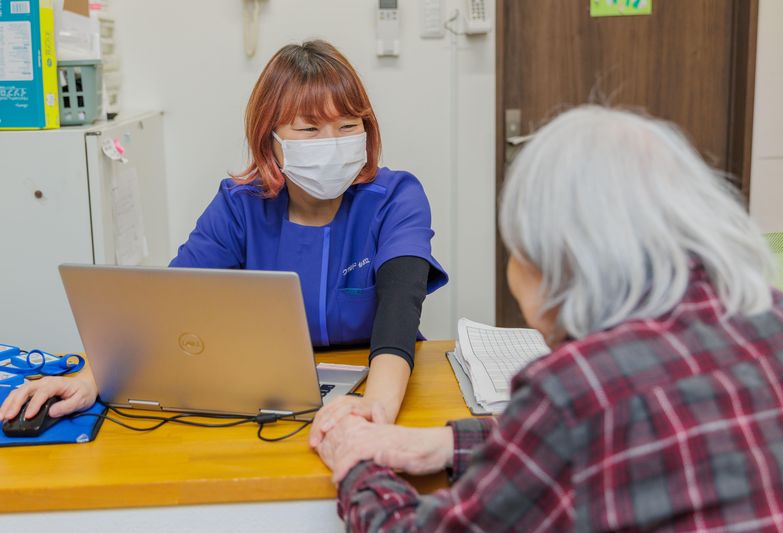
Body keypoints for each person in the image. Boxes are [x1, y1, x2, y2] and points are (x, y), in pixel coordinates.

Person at [313, 106, 783, 531]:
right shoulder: (778, 318)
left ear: (554, 259)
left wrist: (357, 464)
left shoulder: (577, 389)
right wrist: (442, 444)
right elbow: (597, 436)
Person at [0, 41, 448, 435]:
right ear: (270, 140)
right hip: (264, 393)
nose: (332, 142)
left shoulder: (397, 198)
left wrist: (376, 409)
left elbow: (400, 309)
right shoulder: (240, 205)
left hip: (380, 381)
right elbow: (166, 305)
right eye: (310, 129)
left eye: (348, 126)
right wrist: (89, 379)